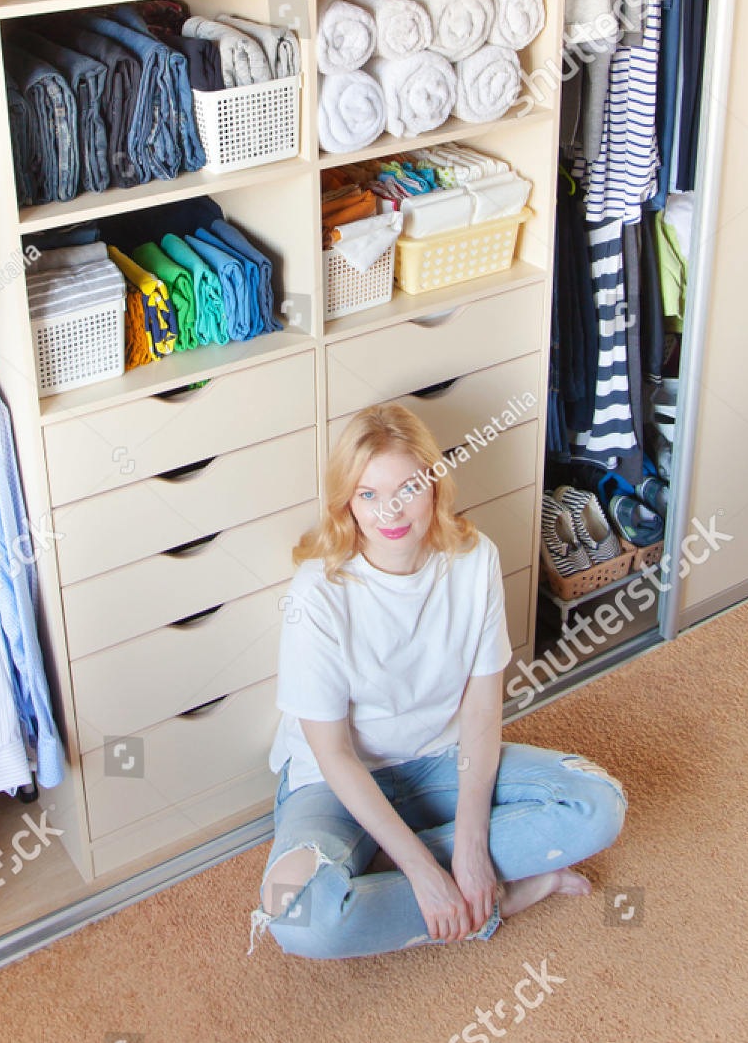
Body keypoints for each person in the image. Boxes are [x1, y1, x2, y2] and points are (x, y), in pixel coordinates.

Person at [249, 403, 627, 959]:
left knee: (599, 805)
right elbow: (333, 754)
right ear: (347, 502)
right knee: (294, 912)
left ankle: (384, 870)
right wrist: (423, 869)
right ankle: (497, 896)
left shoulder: (475, 561)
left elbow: (481, 712)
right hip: (334, 783)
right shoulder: (316, 592)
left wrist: (472, 844)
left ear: (433, 484)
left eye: (407, 487)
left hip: (443, 762)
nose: (390, 511)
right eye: (367, 494)